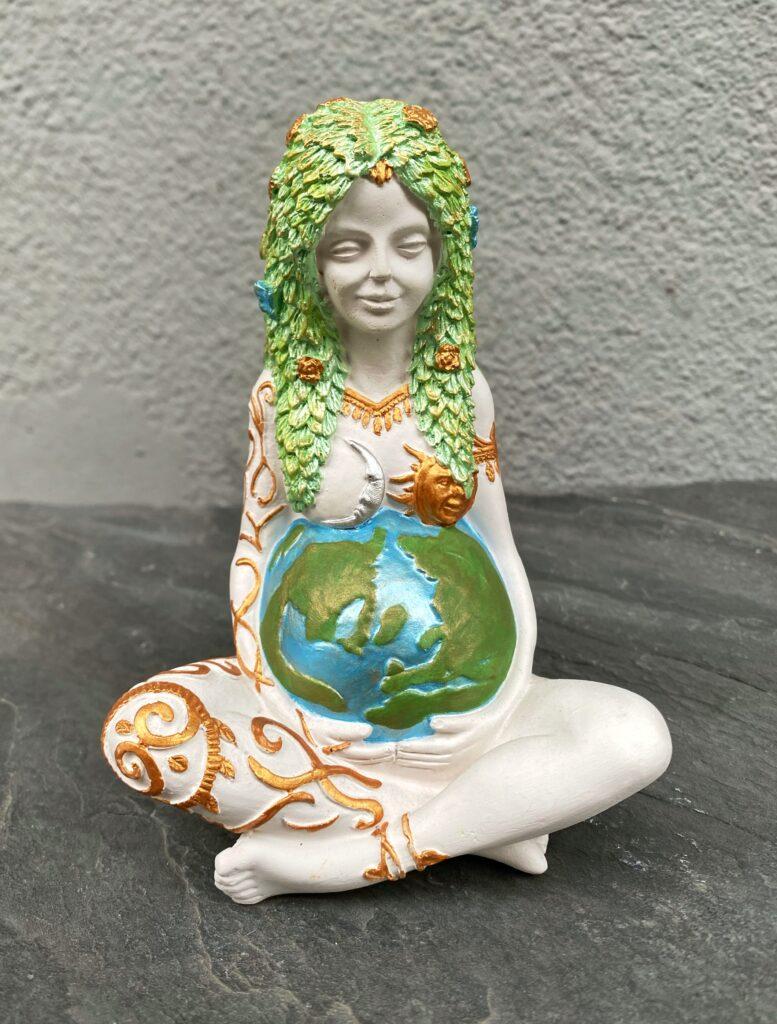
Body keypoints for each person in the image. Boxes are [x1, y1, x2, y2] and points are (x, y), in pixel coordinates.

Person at [102, 98, 671, 904]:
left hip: (467, 727)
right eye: (348, 247)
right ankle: (485, 819)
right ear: (307, 260)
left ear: (445, 257)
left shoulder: (463, 396)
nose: (380, 272)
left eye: (408, 246)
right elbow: (255, 552)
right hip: (314, 729)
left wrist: (499, 702)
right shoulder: (280, 399)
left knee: (633, 736)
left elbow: (499, 550)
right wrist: (279, 698)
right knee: (143, 731)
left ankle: (356, 852)